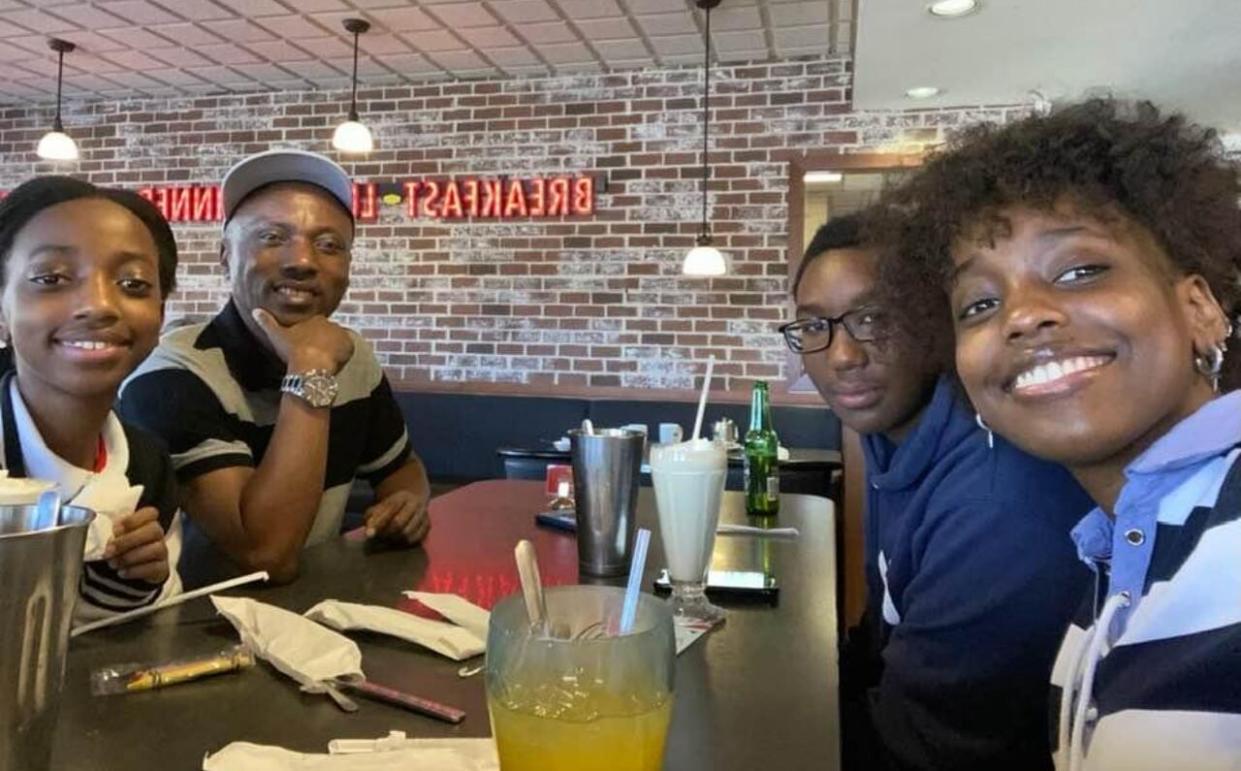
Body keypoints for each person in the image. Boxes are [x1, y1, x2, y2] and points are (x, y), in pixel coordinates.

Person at [884, 99, 1241, 770]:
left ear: (1198, 308)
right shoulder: (1112, 561)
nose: (1022, 317)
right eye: (979, 304)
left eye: (1079, 270)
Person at [782, 213, 1092, 770]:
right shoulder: (894, 442)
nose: (842, 356)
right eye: (812, 327)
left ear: (935, 319)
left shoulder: (994, 503)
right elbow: (878, 637)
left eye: (874, 317)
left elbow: (914, 750)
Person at [118, 150, 430, 587]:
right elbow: (267, 557)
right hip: (196, 632)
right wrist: (310, 371)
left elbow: (400, 467)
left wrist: (407, 503)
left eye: (328, 245)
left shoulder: (352, 357)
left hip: (313, 616)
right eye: (272, 237)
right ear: (225, 256)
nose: (302, 261)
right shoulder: (171, 375)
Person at [0, 176, 181, 621]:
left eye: (134, 284)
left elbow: (154, 633)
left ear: (161, 312)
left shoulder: (147, 464)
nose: (99, 304)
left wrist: (142, 581)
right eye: (51, 278)